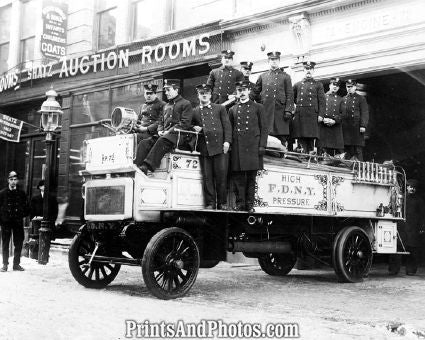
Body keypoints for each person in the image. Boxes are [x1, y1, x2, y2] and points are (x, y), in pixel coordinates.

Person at [135, 79, 193, 174]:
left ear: (176, 90)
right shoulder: (166, 105)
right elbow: (161, 122)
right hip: (166, 136)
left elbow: (185, 123)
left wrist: (169, 131)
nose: (166, 93)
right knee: (144, 143)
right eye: (165, 90)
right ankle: (136, 167)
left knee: (162, 140)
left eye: (168, 90)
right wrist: (159, 130)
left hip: (179, 135)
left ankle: (147, 166)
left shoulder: (185, 104)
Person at [229, 80, 268, 212]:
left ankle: (250, 205)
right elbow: (230, 129)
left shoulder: (258, 108)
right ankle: (240, 204)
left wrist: (262, 145)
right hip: (238, 148)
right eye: (239, 91)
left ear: (249, 91)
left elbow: (264, 128)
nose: (242, 93)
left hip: (253, 147)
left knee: (251, 178)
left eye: (244, 90)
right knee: (238, 178)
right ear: (237, 92)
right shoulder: (232, 109)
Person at [191, 84, 232, 210]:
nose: (204, 95)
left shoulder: (220, 108)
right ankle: (210, 203)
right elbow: (191, 126)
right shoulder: (195, 111)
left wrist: (227, 142)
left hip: (220, 146)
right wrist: (194, 128)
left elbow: (227, 126)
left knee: (221, 176)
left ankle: (222, 203)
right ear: (198, 95)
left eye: (206, 93)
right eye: (202, 93)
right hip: (205, 147)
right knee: (207, 177)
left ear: (210, 95)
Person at [252, 51, 294, 148]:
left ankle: (282, 157)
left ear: (279, 61)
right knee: (267, 137)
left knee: (281, 137)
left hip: (281, 112)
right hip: (266, 111)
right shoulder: (263, 76)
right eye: (272, 60)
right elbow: (255, 92)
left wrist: (288, 110)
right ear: (268, 61)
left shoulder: (286, 77)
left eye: (276, 60)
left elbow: (290, 94)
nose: (274, 62)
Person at [389, 179, 425, 276]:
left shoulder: (419, 200)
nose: (412, 189)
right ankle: (393, 269)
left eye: (414, 188)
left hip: (414, 227)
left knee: (413, 249)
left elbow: (422, 215)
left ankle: (411, 270)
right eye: (410, 187)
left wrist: (422, 226)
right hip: (402, 226)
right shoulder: (401, 198)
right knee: (397, 247)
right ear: (407, 187)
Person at [292, 61, 326, 154]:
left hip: (312, 115)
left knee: (311, 139)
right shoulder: (297, 85)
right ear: (303, 70)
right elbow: (291, 98)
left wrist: (321, 115)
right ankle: (302, 156)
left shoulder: (318, 85)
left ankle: (310, 158)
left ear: (313, 70)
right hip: (300, 114)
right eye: (307, 69)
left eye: (310, 69)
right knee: (301, 138)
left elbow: (322, 101)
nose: (308, 71)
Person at [0, 171, 30, 272]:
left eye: (15, 180)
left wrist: (22, 214)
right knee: (5, 243)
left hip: (17, 222)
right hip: (6, 222)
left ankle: (16, 265)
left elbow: (27, 207)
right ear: (8, 180)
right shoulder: (2, 193)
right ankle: (5, 264)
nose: (13, 181)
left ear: (17, 181)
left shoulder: (21, 193)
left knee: (18, 243)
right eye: (11, 179)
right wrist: (2, 220)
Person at [341, 79, 369, 161]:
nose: (349, 88)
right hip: (346, 128)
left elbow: (365, 113)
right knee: (347, 150)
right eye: (347, 87)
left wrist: (363, 125)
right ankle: (348, 168)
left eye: (351, 86)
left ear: (355, 87)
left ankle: (359, 168)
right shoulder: (343, 99)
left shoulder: (361, 99)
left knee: (357, 150)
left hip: (356, 128)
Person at [319, 77, 344, 156]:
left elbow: (343, 113)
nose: (335, 87)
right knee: (321, 150)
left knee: (335, 152)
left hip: (335, 128)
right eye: (333, 84)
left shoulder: (341, 99)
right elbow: (317, 109)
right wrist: (322, 118)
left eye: (337, 85)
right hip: (323, 126)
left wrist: (334, 121)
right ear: (330, 85)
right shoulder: (322, 97)